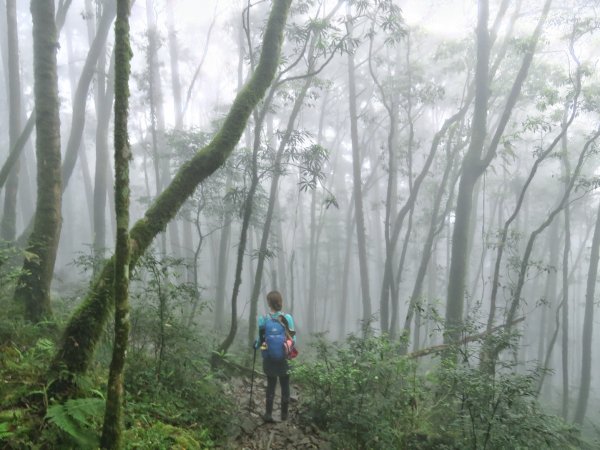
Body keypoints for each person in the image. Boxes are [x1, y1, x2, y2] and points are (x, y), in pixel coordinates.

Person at [255, 290, 296, 422]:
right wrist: (287, 351)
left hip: (269, 359)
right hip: (285, 357)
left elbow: (261, 340)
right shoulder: (287, 318)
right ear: (280, 302)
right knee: (285, 385)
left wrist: (262, 351)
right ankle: (284, 416)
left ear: (269, 303)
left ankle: (268, 414)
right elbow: (293, 339)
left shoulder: (263, 319)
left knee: (271, 385)